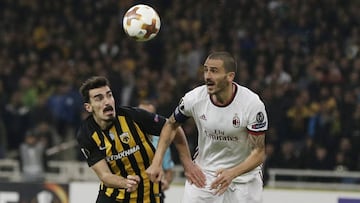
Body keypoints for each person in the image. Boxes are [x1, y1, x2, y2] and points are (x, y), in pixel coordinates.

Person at [146, 51, 268, 203]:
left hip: (244, 180)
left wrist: (232, 173)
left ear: (230, 76)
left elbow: (259, 152)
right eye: (205, 70)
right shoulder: (194, 98)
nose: (207, 76)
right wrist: (157, 163)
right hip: (204, 177)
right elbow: (170, 125)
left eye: (214, 71)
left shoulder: (252, 104)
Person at [76, 76, 203, 203]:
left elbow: (173, 127)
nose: (107, 101)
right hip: (113, 197)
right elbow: (104, 175)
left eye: (109, 95)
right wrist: (125, 182)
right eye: (99, 98)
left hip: (147, 197)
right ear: (89, 107)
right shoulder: (86, 134)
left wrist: (187, 162)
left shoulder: (134, 116)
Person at [138, 100, 175, 191]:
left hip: (153, 192)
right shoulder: (126, 138)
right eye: (141, 115)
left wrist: (166, 182)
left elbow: (169, 170)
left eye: (149, 115)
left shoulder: (161, 141)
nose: (145, 119)